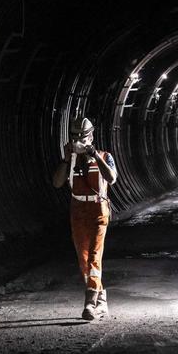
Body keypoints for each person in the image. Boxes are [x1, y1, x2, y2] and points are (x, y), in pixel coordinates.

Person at [52, 117, 118, 321]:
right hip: (78, 210)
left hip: (98, 211)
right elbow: (57, 183)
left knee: (94, 256)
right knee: (83, 258)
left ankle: (89, 303)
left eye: (83, 137)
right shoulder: (70, 160)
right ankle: (100, 299)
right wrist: (66, 158)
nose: (80, 141)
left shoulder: (105, 156)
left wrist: (94, 156)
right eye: (76, 138)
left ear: (91, 136)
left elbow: (112, 178)